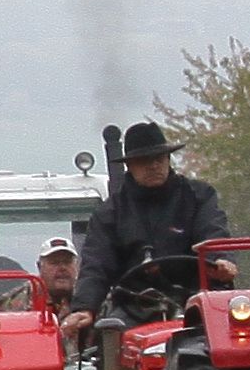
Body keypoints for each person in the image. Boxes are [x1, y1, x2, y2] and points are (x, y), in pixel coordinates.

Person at [75, 122, 230, 304]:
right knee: (108, 327)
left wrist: (220, 259)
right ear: (130, 166)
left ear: (168, 160)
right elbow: (96, 264)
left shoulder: (199, 196)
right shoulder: (110, 213)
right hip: (133, 304)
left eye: (159, 159)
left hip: (196, 298)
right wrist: (84, 307)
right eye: (145, 161)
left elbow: (213, 231)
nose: (154, 166)